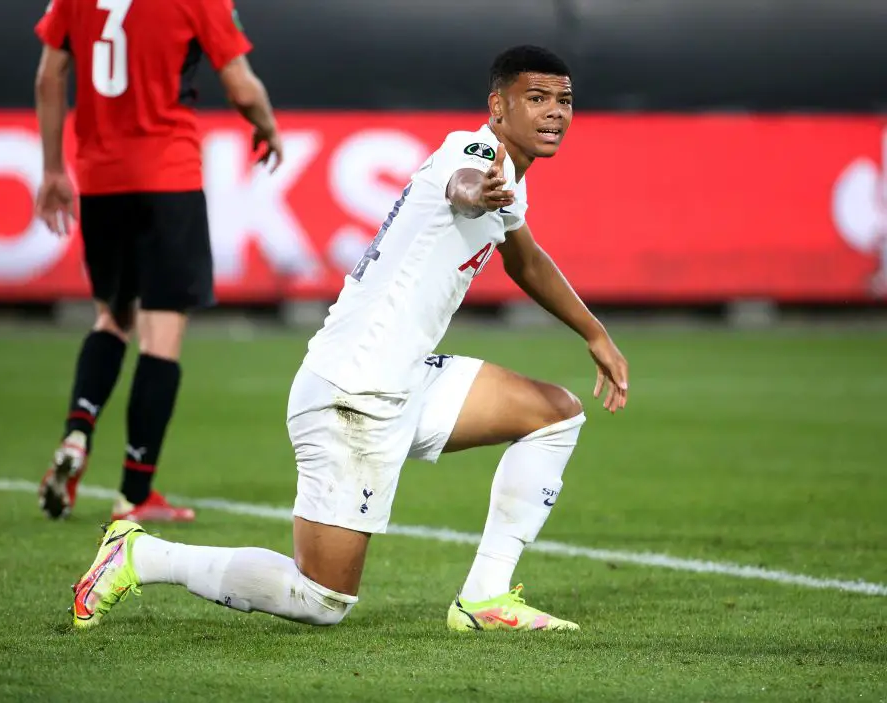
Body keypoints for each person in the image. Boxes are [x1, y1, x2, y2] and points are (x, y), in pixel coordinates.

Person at [69, 45, 629, 631]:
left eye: (563, 100)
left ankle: (485, 600)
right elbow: (461, 184)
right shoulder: (475, 153)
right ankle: (142, 556)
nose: (554, 112)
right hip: (350, 396)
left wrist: (596, 334)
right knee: (322, 601)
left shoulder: (509, 178)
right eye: (535, 98)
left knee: (554, 415)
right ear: (497, 107)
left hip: (405, 377)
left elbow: (528, 262)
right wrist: (477, 191)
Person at [32, 0, 282, 522]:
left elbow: (49, 77)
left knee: (112, 317)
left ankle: (78, 431)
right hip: (168, 177)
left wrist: (54, 169)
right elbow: (240, 85)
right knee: (161, 336)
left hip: (100, 178)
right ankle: (135, 492)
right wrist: (267, 126)